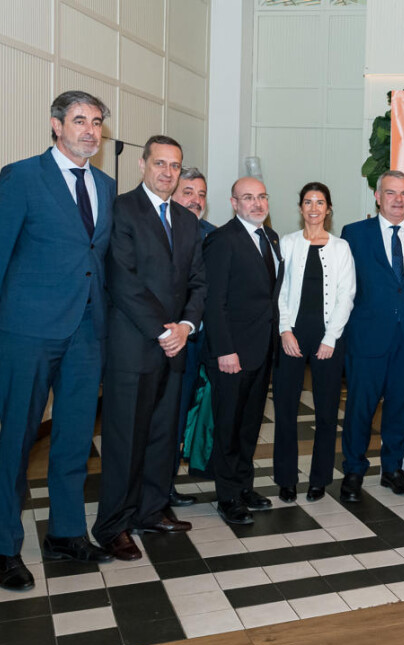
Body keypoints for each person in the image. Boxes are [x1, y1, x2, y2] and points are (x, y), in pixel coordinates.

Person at [0, 90, 118, 590]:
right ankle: (4, 548)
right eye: (79, 120)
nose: (89, 131)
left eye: (96, 122)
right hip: (28, 333)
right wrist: (12, 318)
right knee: (17, 440)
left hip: (86, 332)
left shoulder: (105, 184)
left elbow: (97, 259)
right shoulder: (22, 177)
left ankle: (66, 533)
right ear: (57, 125)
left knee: (75, 439)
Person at [93, 135, 205, 561]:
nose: (167, 172)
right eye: (160, 163)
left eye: (175, 166)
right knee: (125, 441)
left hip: (174, 348)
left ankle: (151, 511)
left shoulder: (187, 220)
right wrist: (164, 330)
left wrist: (186, 326)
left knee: (162, 436)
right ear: (142, 165)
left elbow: (198, 282)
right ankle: (113, 525)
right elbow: (123, 280)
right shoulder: (122, 209)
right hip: (134, 346)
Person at [340, 171, 404, 502]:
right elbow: (343, 287)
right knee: (360, 408)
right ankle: (354, 470)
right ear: (377, 196)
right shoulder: (354, 234)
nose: (398, 199)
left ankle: (392, 469)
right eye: (391, 193)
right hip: (367, 339)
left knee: (400, 408)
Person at [204, 177, 283, 525]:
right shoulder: (222, 240)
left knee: (250, 424)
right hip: (232, 353)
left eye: (262, 196)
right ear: (234, 203)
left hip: (262, 349)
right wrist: (225, 350)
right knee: (228, 425)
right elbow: (214, 301)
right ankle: (227, 495)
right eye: (248, 198)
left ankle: (244, 485)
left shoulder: (271, 237)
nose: (257, 203)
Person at [273, 183, 354, 502]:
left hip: (328, 339)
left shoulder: (341, 248)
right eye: (308, 202)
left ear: (328, 209)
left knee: (326, 411)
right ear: (300, 208)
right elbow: (278, 290)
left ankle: (319, 479)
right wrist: (285, 330)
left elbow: (346, 295)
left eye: (320, 202)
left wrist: (331, 337)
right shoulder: (287, 243)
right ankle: (286, 479)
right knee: (285, 409)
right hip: (291, 336)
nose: (314, 208)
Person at [172, 167, 216, 506]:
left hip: (204, 344)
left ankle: (168, 483)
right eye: (188, 192)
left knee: (188, 412)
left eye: (201, 194)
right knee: (168, 416)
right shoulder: (160, 230)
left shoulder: (212, 235)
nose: (195, 200)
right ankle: (156, 487)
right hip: (169, 342)